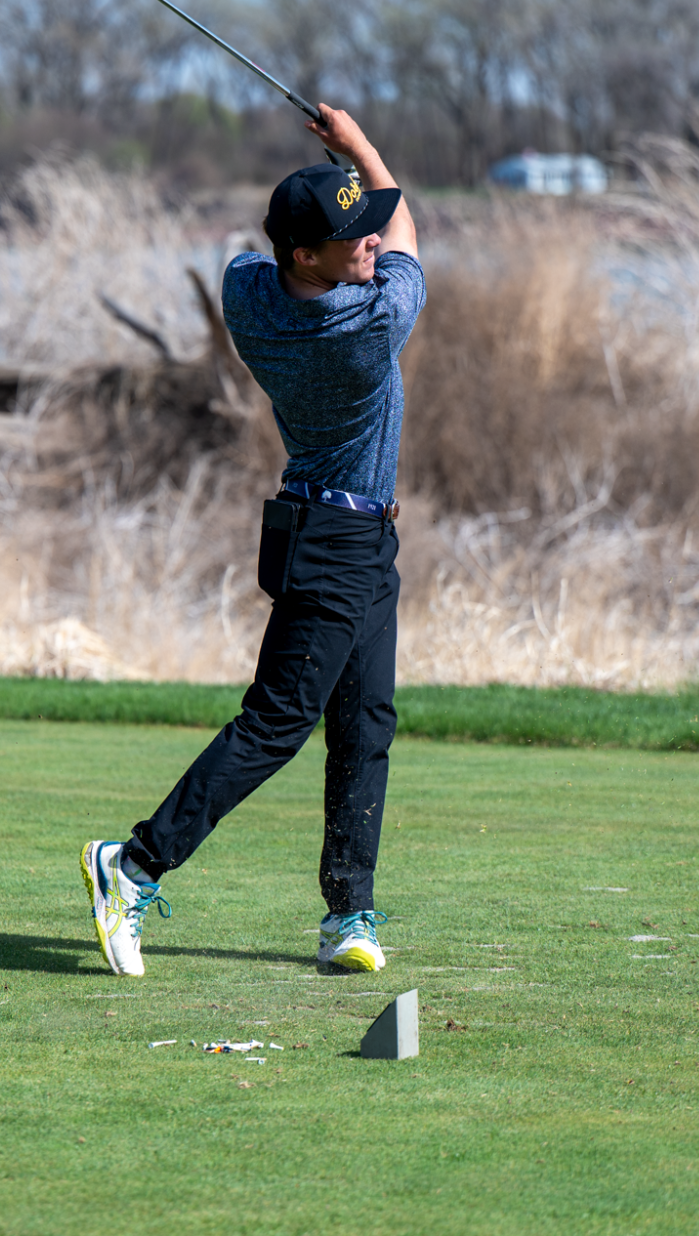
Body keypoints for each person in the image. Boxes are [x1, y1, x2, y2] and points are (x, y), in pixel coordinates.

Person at [80, 105, 424, 977]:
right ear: (305, 256)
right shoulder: (366, 328)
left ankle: (348, 913)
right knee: (276, 723)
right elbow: (409, 231)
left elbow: (300, 245)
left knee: (364, 725)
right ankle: (132, 864)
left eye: (367, 233)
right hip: (337, 542)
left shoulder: (248, 294)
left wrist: (340, 187)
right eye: (352, 239)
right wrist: (359, 149)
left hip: (349, 537)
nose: (373, 244)